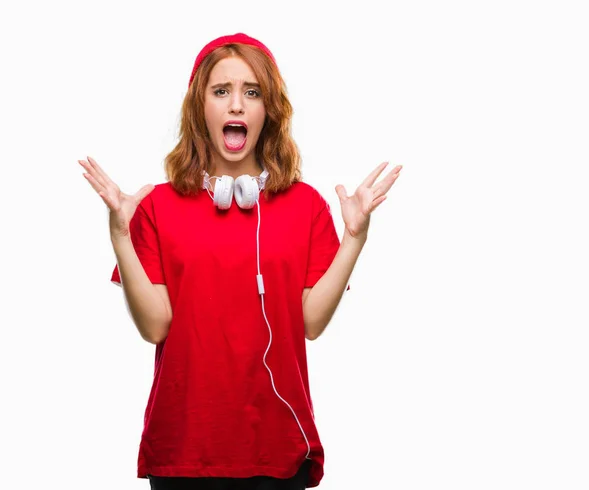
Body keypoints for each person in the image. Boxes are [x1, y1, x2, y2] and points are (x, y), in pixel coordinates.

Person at [78, 33, 401, 490]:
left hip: (278, 450)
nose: (236, 105)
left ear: (267, 110)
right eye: (221, 91)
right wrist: (119, 236)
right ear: (199, 108)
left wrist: (354, 239)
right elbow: (154, 327)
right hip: (184, 452)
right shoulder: (155, 206)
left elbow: (310, 322)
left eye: (252, 92)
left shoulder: (305, 206)